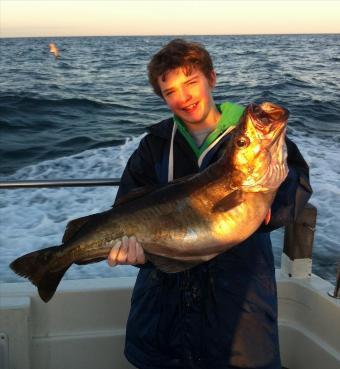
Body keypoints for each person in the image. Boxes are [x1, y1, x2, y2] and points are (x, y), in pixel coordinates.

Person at [107, 39, 312, 369]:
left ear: (211, 79)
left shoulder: (253, 139)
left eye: (191, 82)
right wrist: (137, 255)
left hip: (237, 312)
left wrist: (269, 203)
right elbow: (126, 210)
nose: (184, 97)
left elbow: (295, 186)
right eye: (170, 91)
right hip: (162, 313)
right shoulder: (154, 146)